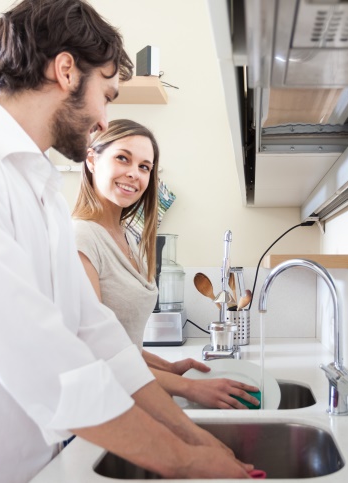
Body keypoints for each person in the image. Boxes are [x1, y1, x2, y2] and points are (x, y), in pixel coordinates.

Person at [0, 1, 252, 481]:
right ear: (65, 71)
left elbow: (93, 334)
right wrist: (182, 460)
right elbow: (31, 348)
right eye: (107, 93)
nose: (104, 119)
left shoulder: (40, 193)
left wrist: (196, 439)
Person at [72, 119, 260, 409]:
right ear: (92, 161)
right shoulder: (80, 238)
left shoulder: (127, 237)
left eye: (145, 167)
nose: (134, 174)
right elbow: (93, 353)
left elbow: (122, 344)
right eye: (123, 158)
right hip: (97, 409)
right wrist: (187, 388)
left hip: (128, 399)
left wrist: (166, 368)